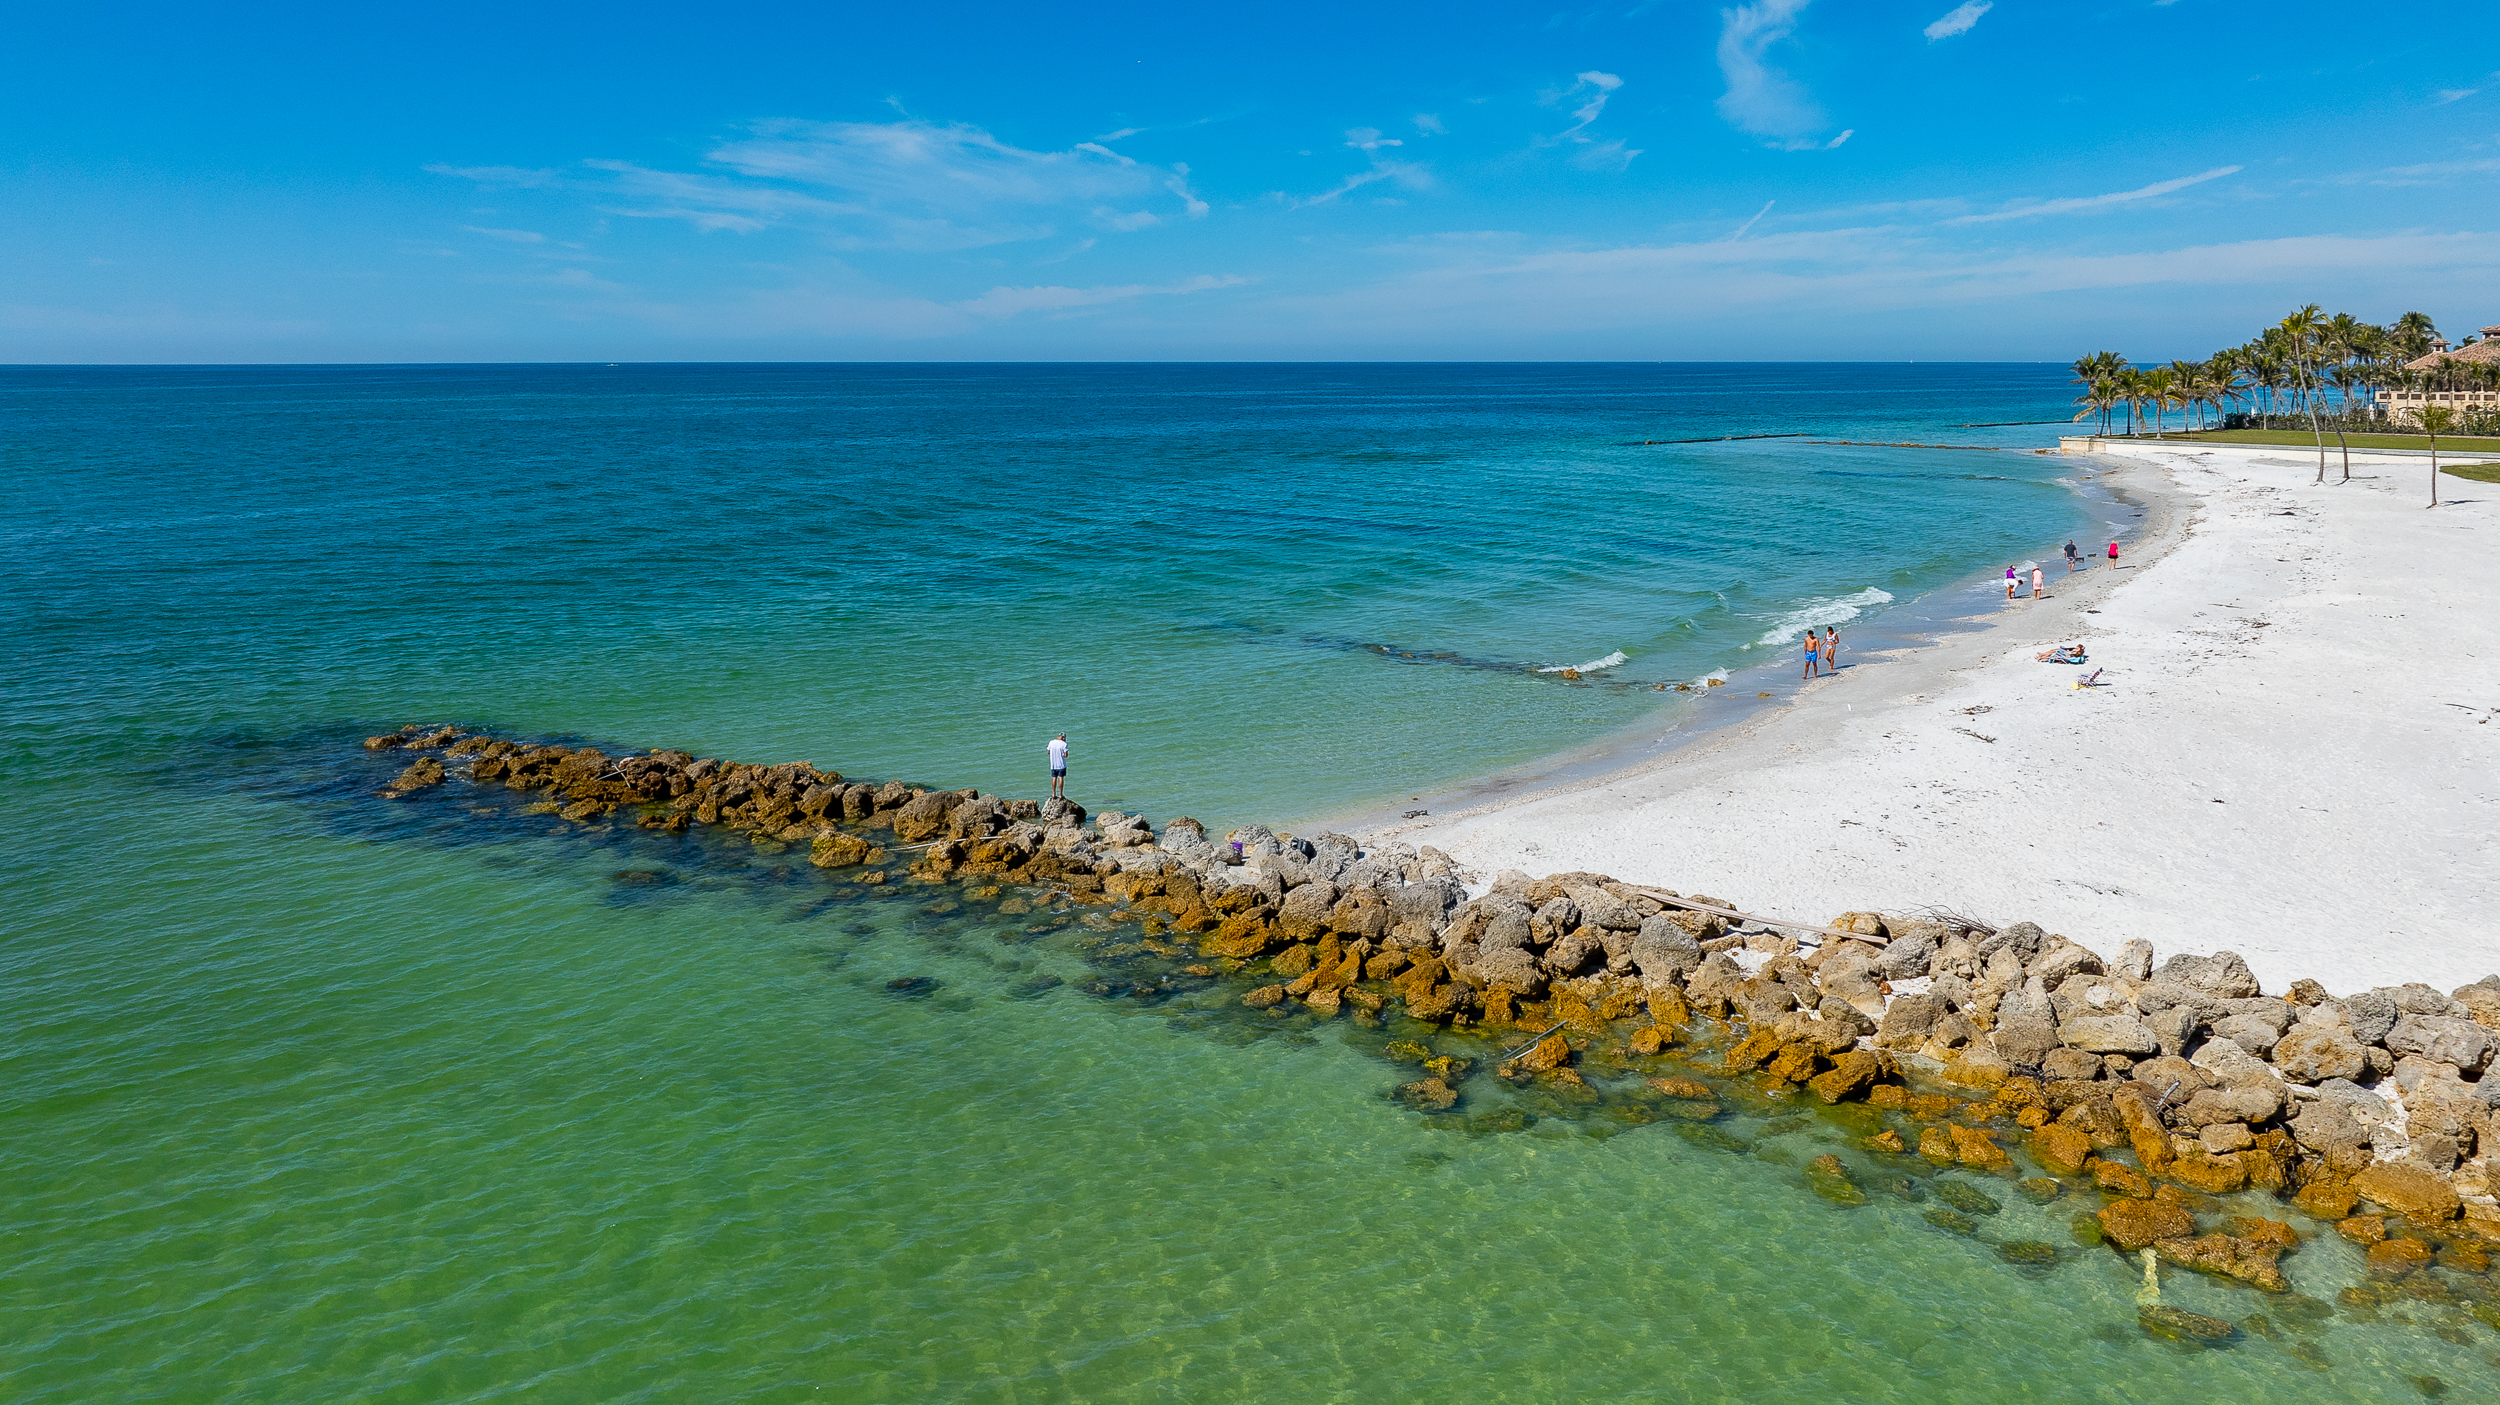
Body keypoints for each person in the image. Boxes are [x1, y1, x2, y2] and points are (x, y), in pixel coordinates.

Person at [1046, 733, 1069, 799]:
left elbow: (1048, 752)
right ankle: (1060, 794)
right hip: (1061, 765)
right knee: (1060, 778)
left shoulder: (1051, 742)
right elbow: (1066, 755)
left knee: (1054, 778)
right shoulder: (1064, 744)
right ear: (1063, 738)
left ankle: (1053, 794)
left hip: (1053, 764)